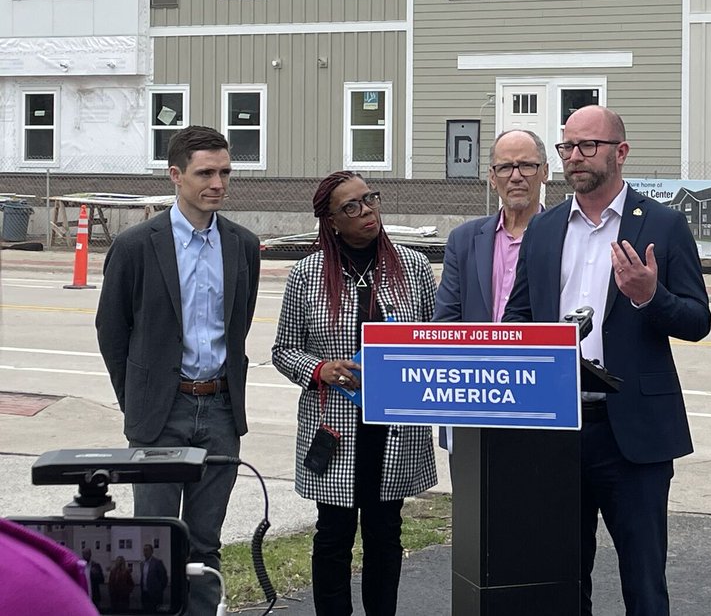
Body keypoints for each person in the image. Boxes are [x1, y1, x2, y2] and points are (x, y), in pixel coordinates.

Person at [504, 105, 711, 616]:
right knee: (562, 578)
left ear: (620, 152)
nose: (575, 156)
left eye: (587, 146)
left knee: (643, 583)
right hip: (557, 428)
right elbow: (518, 315)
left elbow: (697, 320)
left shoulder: (663, 224)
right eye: (567, 147)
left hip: (633, 434)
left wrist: (648, 296)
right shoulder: (546, 228)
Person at [95, 125, 260, 616]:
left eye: (225, 172)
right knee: (154, 542)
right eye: (205, 172)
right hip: (162, 414)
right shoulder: (135, 246)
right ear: (176, 176)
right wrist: (139, 402)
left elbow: (239, 323)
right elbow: (112, 332)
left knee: (205, 544)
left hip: (221, 412)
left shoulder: (242, 245)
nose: (218, 183)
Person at [273, 171, 438, 616]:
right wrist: (320, 368)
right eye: (352, 206)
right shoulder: (307, 275)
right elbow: (284, 350)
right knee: (333, 535)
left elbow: (435, 342)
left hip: (395, 426)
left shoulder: (413, 267)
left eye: (370, 199)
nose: (367, 211)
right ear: (330, 221)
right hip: (336, 428)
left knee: (386, 533)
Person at [434, 129, 548, 322]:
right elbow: (446, 323)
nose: (516, 176)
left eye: (527, 166)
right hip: (475, 353)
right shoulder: (462, 241)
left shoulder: (562, 236)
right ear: (492, 178)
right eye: (505, 167)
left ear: (545, 172)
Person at [0, 518, 98, 616]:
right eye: (85, 553)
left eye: (88, 553)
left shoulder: (93, 565)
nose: (87, 555)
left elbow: (100, 579)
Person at [140, 544, 168, 612]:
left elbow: (164, 578)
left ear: (152, 551)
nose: (145, 552)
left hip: (155, 595)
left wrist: (159, 590)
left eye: (147, 550)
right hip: (144, 594)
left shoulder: (157, 562)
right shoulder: (142, 564)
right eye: (144, 550)